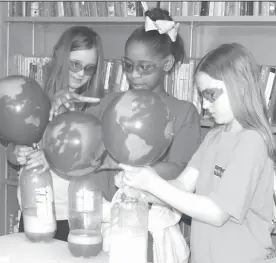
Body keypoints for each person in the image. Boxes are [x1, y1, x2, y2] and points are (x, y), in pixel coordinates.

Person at [49, 8, 201, 261]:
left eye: (144, 67)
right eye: (128, 66)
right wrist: (64, 110)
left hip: (154, 229)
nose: (134, 75)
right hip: (105, 226)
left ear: (167, 64)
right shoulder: (111, 102)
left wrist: (118, 165)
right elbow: (76, 145)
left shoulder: (184, 112)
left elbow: (180, 170)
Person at [116, 43, 276, 263]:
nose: (204, 104)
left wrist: (153, 183)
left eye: (211, 94)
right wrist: (141, 188)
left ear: (239, 87)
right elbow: (183, 185)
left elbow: (217, 213)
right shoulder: (214, 136)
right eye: (202, 96)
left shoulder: (252, 142)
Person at [6, 26, 111, 242]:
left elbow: (94, 158)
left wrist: (51, 157)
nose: (81, 73)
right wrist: (17, 152)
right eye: (75, 64)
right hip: (34, 209)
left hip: (76, 215)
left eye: (89, 68)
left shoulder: (96, 107)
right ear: (59, 57)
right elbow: (11, 150)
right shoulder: (35, 99)